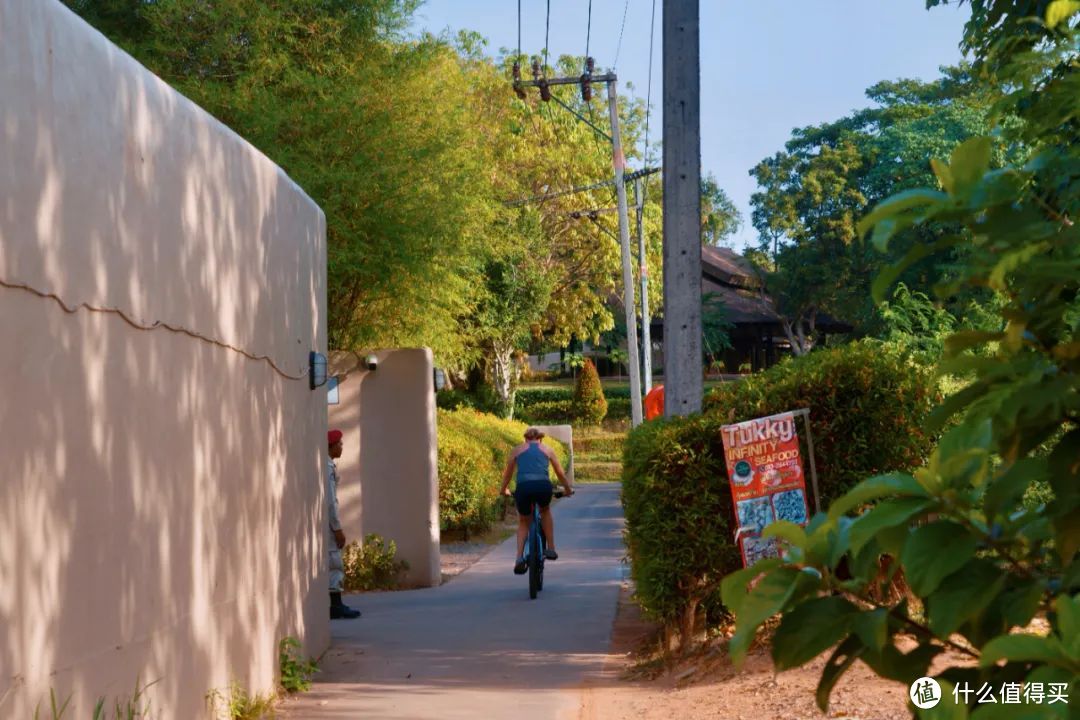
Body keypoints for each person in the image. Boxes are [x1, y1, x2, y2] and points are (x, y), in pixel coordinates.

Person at [499, 427, 574, 575]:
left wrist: (503, 489)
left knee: (523, 521)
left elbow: (508, 475)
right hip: (543, 487)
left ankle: (519, 558)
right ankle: (551, 548)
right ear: (540, 439)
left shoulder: (517, 450)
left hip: (524, 488)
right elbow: (560, 473)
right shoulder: (547, 450)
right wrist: (567, 490)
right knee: (545, 511)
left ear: (525, 439)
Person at [327, 429, 360, 619]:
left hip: (330, 525)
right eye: (338, 444)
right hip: (330, 527)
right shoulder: (327, 467)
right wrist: (337, 528)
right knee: (334, 563)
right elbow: (330, 501)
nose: (341, 447)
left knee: (334, 562)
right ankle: (335, 605)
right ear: (331, 447)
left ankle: (337, 603)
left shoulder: (330, 465)